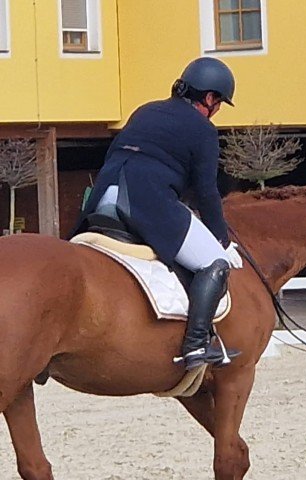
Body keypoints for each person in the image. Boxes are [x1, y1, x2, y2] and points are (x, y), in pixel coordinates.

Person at [71, 57, 243, 370]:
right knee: (213, 264)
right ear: (209, 98)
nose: (217, 111)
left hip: (103, 196)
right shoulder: (203, 130)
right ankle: (195, 346)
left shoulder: (145, 110)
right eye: (218, 103)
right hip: (144, 203)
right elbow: (206, 192)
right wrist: (222, 240)